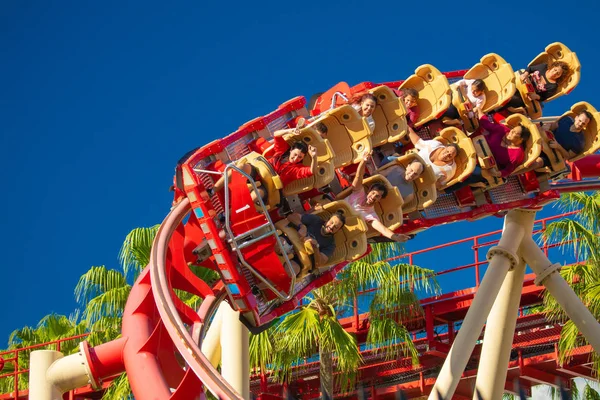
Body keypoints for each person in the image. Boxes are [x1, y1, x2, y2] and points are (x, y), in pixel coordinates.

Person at [213, 126, 318, 193]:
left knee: (257, 194)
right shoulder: (282, 151)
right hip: (259, 172)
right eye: (295, 154)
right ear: (291, 150)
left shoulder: (297, 169)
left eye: (299, 157)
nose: (295, 158)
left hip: (268, 187)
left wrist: (314, 157)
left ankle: (227, 216)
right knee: (240, 167)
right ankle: (213, 190)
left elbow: (312, 171)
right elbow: (276, 134)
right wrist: (290, 130)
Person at [445, 116, 532, 191]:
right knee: (452, 149)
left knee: (471, 173)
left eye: (514, 133)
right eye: (512, 130)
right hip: (472, 148)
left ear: (521, 140)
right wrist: (479, 111)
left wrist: (497, 173)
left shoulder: (517, 155)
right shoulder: (503, 130)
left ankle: (445, 189)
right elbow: (486, 124)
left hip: (484, 166)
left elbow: (508, 170)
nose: (510, 132)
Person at [345, 152, 410, 242]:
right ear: (369, 191)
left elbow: (382, 229)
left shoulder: (371, 214)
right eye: (373, 193)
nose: (373, 197)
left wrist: (395, 237)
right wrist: (363, 161)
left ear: (379, 199)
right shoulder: (359, 192)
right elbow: (358, 176)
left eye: (377, 196)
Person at [504, 61, 570, 113]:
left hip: (527, 94)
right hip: (523, 82)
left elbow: (543, 98)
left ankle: (497, 109)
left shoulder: (553, 86)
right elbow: (530, 68)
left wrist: (535, 96)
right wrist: (525, 74)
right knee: (510, 88)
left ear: (560, 76)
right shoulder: (543, 67)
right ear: (553, 67)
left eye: (558, 73)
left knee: (514, 98)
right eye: (555, 70)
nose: (555, 73)